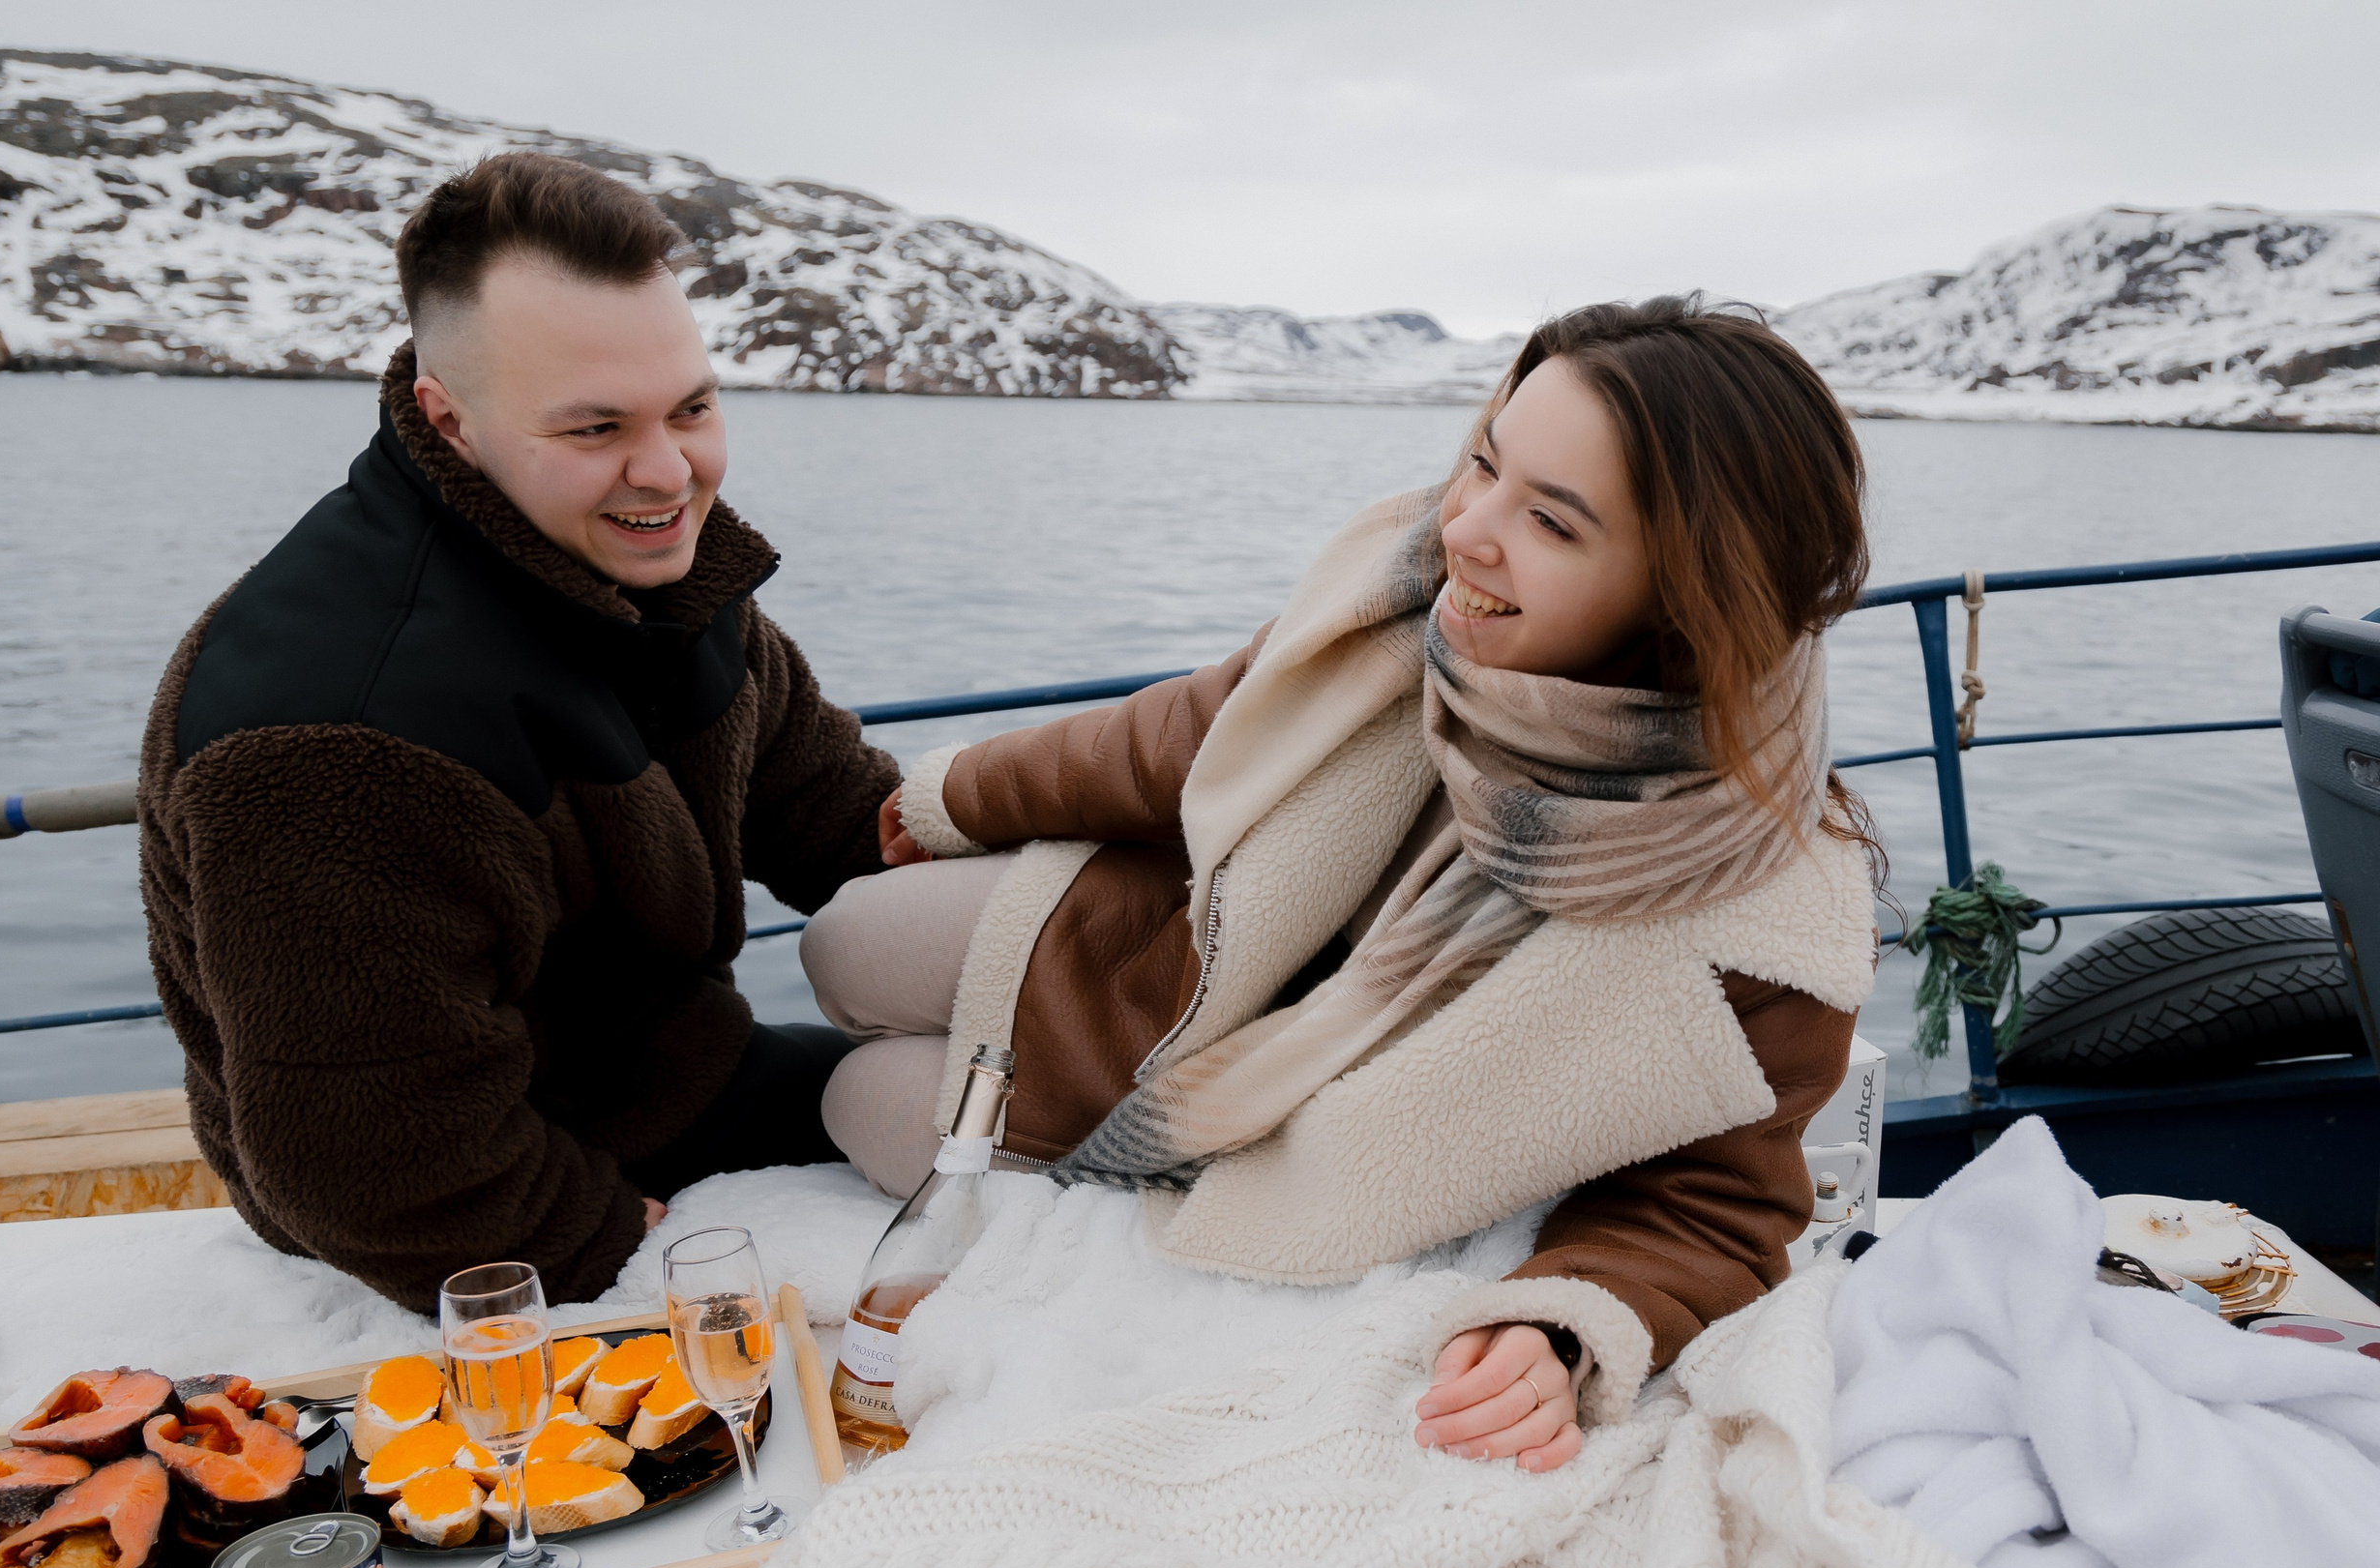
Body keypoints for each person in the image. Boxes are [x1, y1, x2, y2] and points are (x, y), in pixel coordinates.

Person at [803, 295, 1879, 1474]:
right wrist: (954, 797)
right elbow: (1192, 729)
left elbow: (1715, 1204)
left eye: (1552, 523)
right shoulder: (1405, 593)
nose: (1467, 526)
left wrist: (1566, 1321)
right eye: (1484, 458)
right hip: (1162, 957)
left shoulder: (1756, 897)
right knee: (846, 941)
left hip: (1260, 1144)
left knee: (857, 1097)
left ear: (1683, 592)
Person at [137, 154, 895, 1312]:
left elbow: (832, 811)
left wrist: (1053, 884)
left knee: (1020, 1091)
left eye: (690, 407)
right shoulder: (340, 730)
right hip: (462, 1188)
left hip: (646, 1070)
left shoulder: (653, 577)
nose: (668, 471)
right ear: (449, 419)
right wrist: (589, 1241)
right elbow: (366, 1156)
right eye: (595, 428)